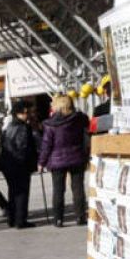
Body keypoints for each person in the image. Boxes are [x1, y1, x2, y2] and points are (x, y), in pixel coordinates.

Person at [38, 95, 91, 227]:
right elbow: (86, 135)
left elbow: (46, 145)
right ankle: (80, 216)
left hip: (57, 161)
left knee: (58, 190)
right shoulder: (79, 119)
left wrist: (41, 162)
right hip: (77, 157)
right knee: (78, 188)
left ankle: (58, 219)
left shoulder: (51, 124)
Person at [0, 100, 40, 229]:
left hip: (8, 164)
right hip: (19, 165)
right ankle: (21, 220)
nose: (29, 115)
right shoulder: (23, 127)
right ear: (19, 113)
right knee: (22, 192)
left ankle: (12, 218)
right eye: (26, 112)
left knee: (13, 192)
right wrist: (29, 162)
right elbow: (23, 147)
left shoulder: (9, 126)